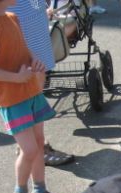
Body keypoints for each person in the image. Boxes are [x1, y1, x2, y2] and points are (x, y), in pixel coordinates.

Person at [0, 0, 71, 193]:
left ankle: (40, 191)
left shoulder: (12, 18)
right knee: (28, 149)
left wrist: (34, 59)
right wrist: (16, 78)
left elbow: (24, 47)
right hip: (11, 98)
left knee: (38, 142)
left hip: (31, 91)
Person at [7, 0, 75, 166]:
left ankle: (33, 145)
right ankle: (33, 146)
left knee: (37, 82)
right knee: (29, 87)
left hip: (34, 18)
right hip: (20, 21)